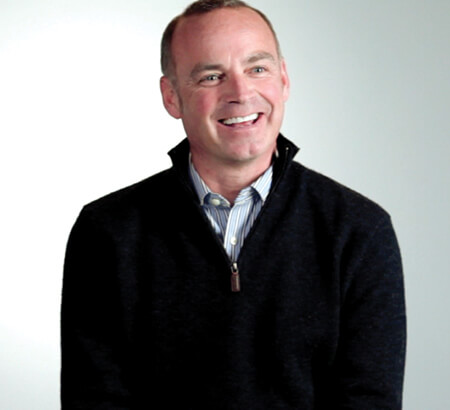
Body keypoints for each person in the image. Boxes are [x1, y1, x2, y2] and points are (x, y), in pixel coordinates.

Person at [61, 1, 406, 408]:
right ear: (172, 97)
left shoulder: (358, 231)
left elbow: (368, 401)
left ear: (284, 79)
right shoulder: (107, 233)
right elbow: (95, 400)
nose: (241, 93)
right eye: (211, 77)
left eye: (257, 69)